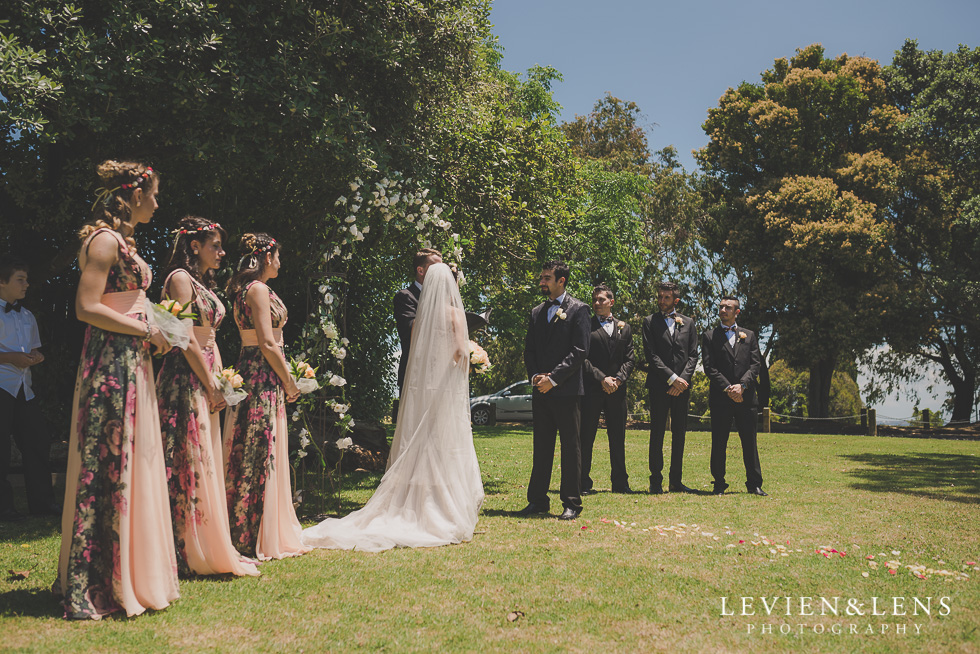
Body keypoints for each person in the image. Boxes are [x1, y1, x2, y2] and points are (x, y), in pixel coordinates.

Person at [55, 160, 179, 620]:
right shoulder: (104, 241)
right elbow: (87, 307)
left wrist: (158, 331)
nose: (158, 203)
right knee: (111, 463)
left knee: (133, 461)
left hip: (132, 361)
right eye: (155, 194)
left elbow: (130, 304)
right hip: (109, 365)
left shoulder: (123, 241)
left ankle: (132, 571)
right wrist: (143, 331)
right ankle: (98, 578)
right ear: (136, 195)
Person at [302, 263, 484, 551]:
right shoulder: (455, 313)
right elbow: (460, 351)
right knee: (445, 444)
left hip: (423, 391)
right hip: (446, 389)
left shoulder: (422, 316)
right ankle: (442, 506)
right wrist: (473, 359)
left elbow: (417, 356)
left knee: (423, 444)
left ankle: (420, 504)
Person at [156, 217, 259, 578]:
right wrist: (210, 382)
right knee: (185, 454)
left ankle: (205, 537)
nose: (222, 251)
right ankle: (181, 544)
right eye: (214, 244)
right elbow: (182, 337)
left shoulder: (200, 282)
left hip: (207, 370)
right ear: (194, 245)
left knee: (203, 455)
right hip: (185, 375)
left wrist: (219, 381)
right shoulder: (180, 279)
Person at [223, 233, 309, 560]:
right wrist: (289, 381)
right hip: (261, 374)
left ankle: (259, 526)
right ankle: (251, 531)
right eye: (277, 256)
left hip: (258, 371)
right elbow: (267, 342)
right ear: (265, 257)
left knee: (257, 448)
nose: (280, 262)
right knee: (259, 449)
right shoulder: (256, 290)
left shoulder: (250, 290)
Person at [518, 260, 590, 520]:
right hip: (541, 391)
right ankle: (537, 501)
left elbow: (580, 351)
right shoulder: (537, 312)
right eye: (542, 277)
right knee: (542, 447)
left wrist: (554, 378)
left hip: (567, 391)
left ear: (561, 280)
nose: (541, 282)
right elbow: (530, 350)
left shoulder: (580, 310)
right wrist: (537, 376)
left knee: (571, 448)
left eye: (547, 278)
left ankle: (571, 502)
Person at [0, 255, 58, 521]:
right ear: (2, 282)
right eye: (20, 280)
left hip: (25, 388)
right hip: (1, 386)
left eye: (26, 279)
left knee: (37, 443)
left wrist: (37, 357)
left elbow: (33, 348)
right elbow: (11, 355)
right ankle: (4, 508)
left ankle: (43, 505)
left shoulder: (28, 316)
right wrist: (11, 358)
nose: (26, 285)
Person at [701, 296, 766, 496]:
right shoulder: (710, 336)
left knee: (749, 441)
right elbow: (709, 367)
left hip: (746, 398)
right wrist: (729, 388)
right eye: (720, 307)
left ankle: (754, 484)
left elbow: (756, 364)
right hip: (721, 398)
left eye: (727, 307)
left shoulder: (749, 335)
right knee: (719, 441)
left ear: (736, 312)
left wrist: (743, 386)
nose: (723, 310)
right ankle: (719, 483)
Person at [642, 281, 699, 494]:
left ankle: (676, 481)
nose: (661, 301)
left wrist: (682, 380)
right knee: (657, 433)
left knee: (679, 433)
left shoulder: (689, 323)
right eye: (659, 297)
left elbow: (693, 355)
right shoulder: (649, 322)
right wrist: (672, 378)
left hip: (682, 387)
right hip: (659, 385)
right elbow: (652, 356)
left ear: (676, 300)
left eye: (666, 297)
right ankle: (655, 480)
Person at [580, 284, 635, 494]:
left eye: (601, 300)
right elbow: (582, 358)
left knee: (617, 438)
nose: (596, 303)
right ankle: (582, 482)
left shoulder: (625, 327)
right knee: (586, 437)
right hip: (592, 389)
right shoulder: (585, 326)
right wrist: (602, 379)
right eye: (594, 300)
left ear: (611, 302)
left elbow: (630, 359)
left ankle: (620, 483)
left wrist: (618, 380)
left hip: (617, 392)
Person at [393, 248, 442, 392]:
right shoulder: (405, 297)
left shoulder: (443, 300)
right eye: (436, 269)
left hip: (440, 376)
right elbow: (411, 332)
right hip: (414, 375)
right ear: (420, 271)